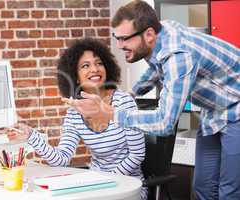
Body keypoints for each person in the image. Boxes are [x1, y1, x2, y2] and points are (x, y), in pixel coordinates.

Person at [63, 1, 240, 199]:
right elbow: (156, 67)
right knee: (203, 187)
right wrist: (130, 94)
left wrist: (111, 113)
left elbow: (165, 123)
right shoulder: (161, 33)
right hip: (214, 111)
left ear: (148, 35)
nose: (120, 45)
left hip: (237, 108)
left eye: (124, 39)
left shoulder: (179, 57)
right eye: (117, 38)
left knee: (229, 191)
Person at [9, 38, 147, 199]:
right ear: (75, 77)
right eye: (85, 66)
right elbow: (61, 159)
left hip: (128, 186)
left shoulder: (124, 102)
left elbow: (137, 155)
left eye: (99, 63)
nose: (94, 69)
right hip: (97, 187)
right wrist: (32, 136)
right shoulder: (75, 113)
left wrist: (106, 179)